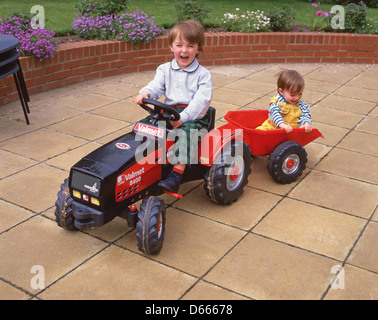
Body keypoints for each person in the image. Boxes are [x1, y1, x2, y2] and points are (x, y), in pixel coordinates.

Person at [134, 20, 212, 194]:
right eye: (179, 45)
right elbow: (156, 86)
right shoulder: (164, 70)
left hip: (192, 116)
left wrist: (183, 117)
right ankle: (143, 166)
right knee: (143, 128)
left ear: (198, 49)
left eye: (190, 46)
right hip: (168, 112)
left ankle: (176, 173)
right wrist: (146, 93)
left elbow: (201, 101)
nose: (184, 50)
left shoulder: (203, 75)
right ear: (171, 47)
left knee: (187, 134)